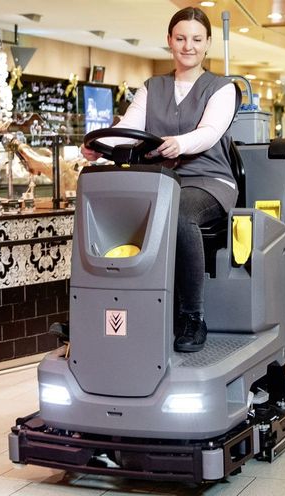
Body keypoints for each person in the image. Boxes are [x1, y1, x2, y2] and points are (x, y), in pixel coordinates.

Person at [81, 7, 238, 353]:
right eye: (181, 38)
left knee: (180, 214)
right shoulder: (153, 87)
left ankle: (192, 316)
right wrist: (100, 145)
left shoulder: (222, 89)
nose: (188, 46)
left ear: (208, 43)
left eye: (196, 39)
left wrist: (179, 143)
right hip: (163, 181)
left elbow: (210, 133)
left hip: (210, 181)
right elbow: (128, 125)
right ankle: (126, 309)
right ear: (169, 41)